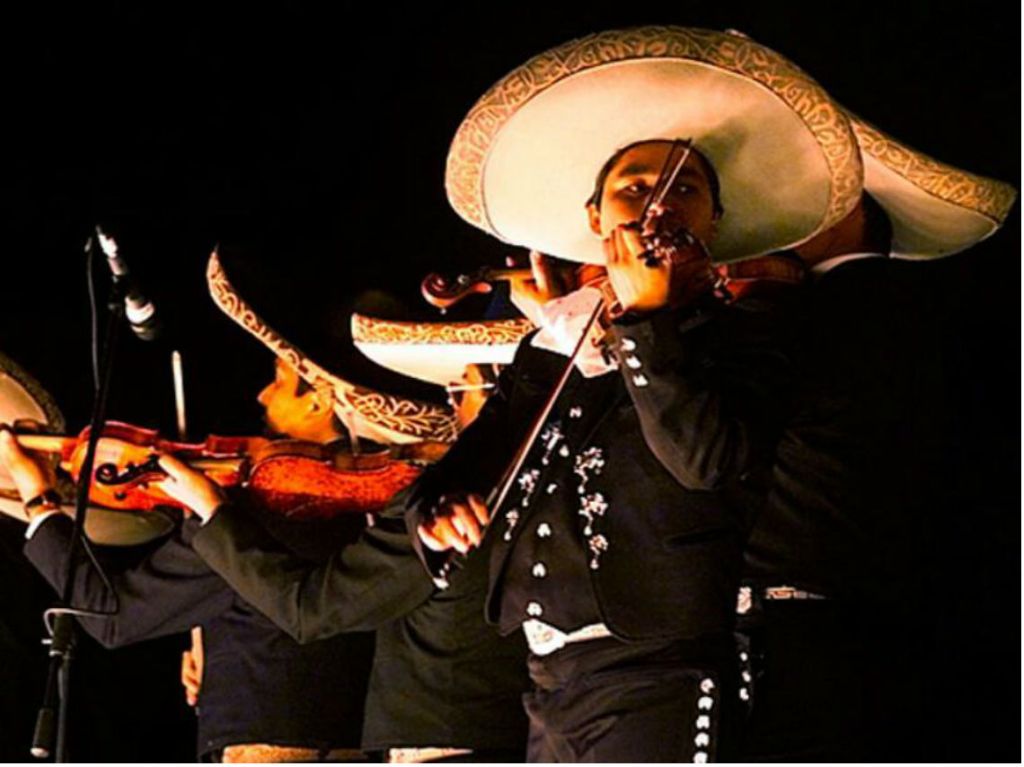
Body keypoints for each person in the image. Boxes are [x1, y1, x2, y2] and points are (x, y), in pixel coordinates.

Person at [411, 26, 864, 762]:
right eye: (632, 188)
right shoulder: (556, 339)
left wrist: (651, 319)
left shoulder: (747, 332)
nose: (658, 203)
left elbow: (707, 461)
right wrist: (435, 512)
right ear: (596, 221)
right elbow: (466, 465)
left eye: (684, 188)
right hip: (548, 676)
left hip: (662, 668)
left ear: (713, 225)